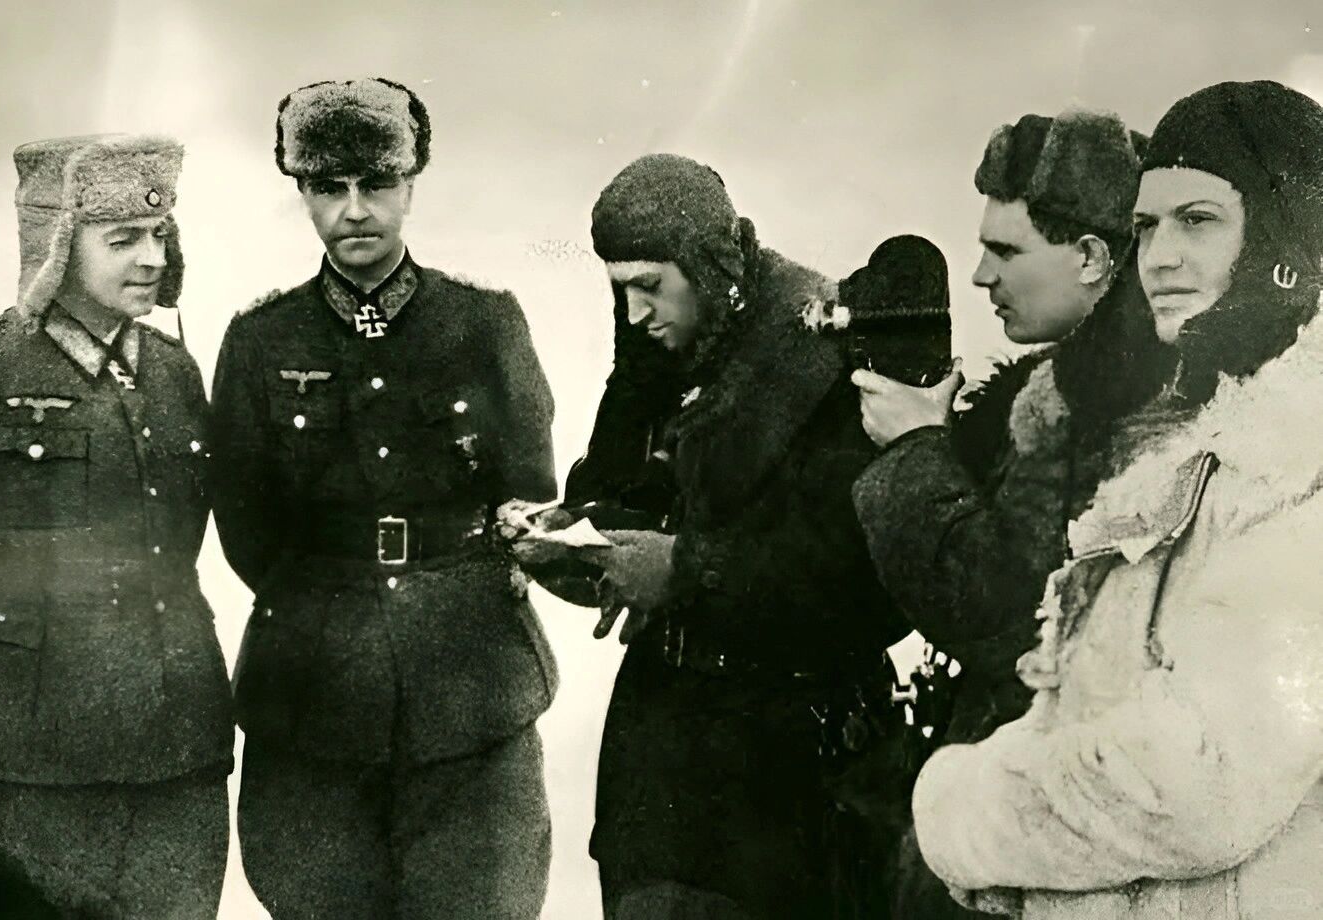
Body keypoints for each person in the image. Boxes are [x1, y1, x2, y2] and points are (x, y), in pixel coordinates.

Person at [913, 79, 1323, 919]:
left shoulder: (1295, 462)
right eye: (1146, 226)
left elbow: (1197, 782)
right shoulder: (1203, 445)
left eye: (1198, 220)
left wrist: (958, 803)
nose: (1159, 257)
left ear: (1286, 233)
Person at [210, 77, 557, 920]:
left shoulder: (484, 323)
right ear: (302, 193)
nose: (355, 209)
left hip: (470, 689)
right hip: (313, 693)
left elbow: (527, 488)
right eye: (329, 187)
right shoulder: (261, 339)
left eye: (377, 183)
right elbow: (246, 525)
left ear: (411, 184)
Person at [541, 153, 913, 919]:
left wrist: (688, 568)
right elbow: (622, 494)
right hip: (664, 764)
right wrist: (579, 539)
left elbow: (872, 586)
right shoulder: (662, 358)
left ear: (709, 268)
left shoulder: (831, 353)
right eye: (620, 289)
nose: (635, 313)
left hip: (795, 770)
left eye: (651, 285)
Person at [849, 109, 1167, 919]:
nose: (980, 276)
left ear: (1092, 257)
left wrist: (916, 450)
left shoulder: (1103, 414)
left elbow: (1004, 616)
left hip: (1038, 840)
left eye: (1007, 251)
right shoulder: (1071, 392)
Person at [0, 134, 233, 918]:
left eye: (159, 234)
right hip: (36, 759)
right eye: (122, 239)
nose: (152, 258)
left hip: (180, 749)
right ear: (57, 246)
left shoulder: (174, 371)